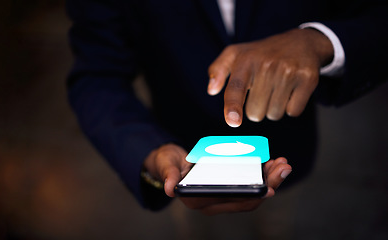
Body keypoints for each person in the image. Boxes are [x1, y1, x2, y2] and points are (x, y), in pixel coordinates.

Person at [66, 0, 388, 214]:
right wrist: (149, 151)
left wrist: (322, 41)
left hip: (289, 152)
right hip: (182, 159)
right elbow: (96, 74)